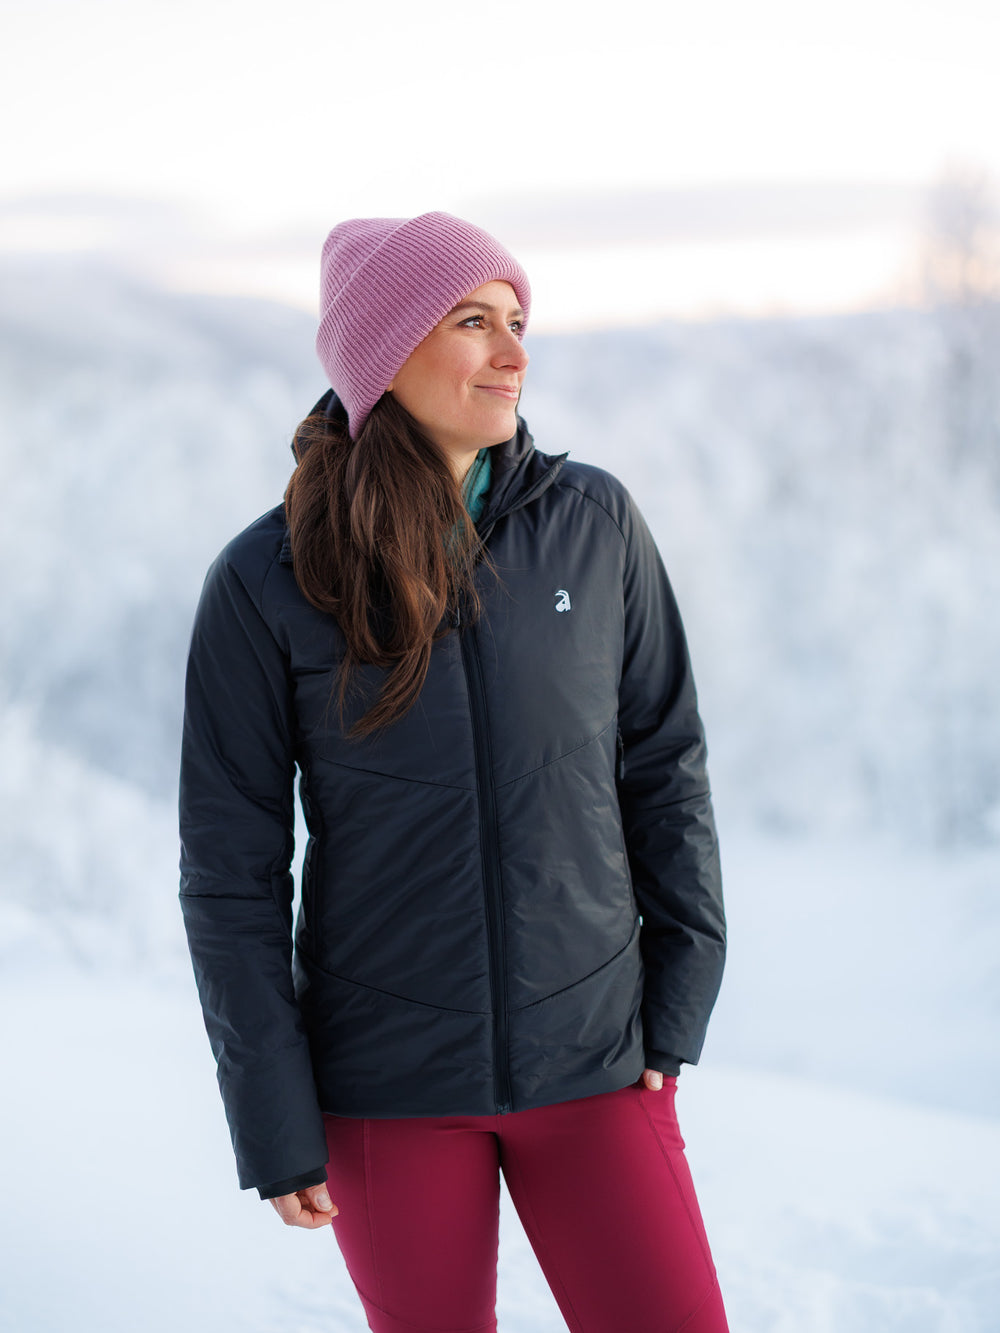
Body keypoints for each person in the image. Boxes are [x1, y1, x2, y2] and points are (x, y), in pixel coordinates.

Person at [179, 212, 729, 1333]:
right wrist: (272, 1111)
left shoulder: (593, 525)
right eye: (474, 321)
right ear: (383, 355)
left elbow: (665, 763)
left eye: (517, 320)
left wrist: (678, 998)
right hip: (387, 1089)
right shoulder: (269, 578)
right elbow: (231, 871)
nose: (515, 352)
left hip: (595, 1060)